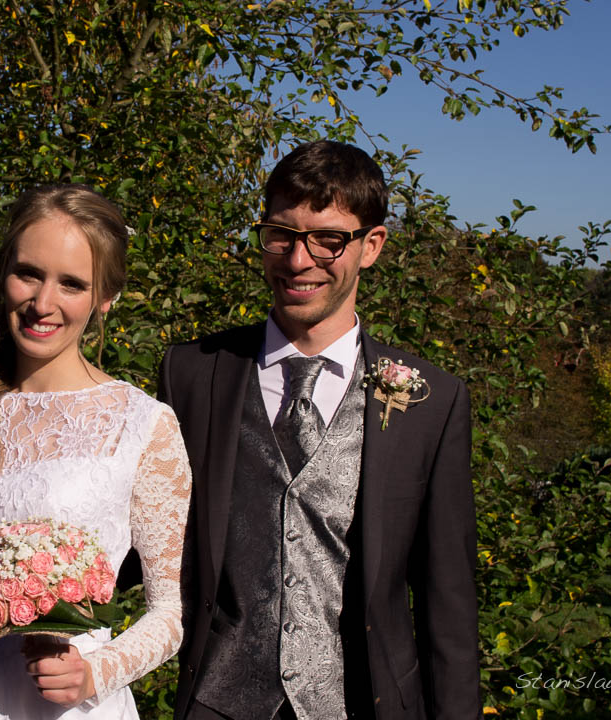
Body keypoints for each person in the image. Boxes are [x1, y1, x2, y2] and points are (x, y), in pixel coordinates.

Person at [163, 140, 479, 720]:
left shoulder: (433, 402)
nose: (298, 259)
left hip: (364, 704)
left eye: (327, 239)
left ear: (371, 246)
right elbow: (145, 535)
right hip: (216, 702)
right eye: (280, 234)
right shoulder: (191, 373)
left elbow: (448, 602)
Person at [0, 184, 191, 719]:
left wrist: (96, 672)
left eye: (71, 284)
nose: (43, 303)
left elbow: (169, 612)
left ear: (104, 297)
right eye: (28, 274)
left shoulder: (142, 425)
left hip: (69, 705)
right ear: (3, 274)